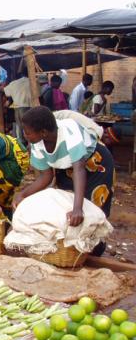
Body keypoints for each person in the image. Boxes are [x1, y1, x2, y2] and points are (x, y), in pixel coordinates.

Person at [14, 106, 113, 255]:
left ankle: (95, 251)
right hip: (67, 169)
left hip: (96, 164)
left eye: (27, 132)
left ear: (43, 132)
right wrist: (23, 194)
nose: (24, 135)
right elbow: (46, 176)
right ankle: (73, 251)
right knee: (66, 209)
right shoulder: (37, 143)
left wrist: (78, 208)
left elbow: (79, 168)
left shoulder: (68, 129)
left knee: (92, 209)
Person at [3, 75, 32, 144]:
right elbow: (39, 95)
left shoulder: (14, 83)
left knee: (19, 126)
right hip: (29, 106)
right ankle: (29, 142)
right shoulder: (32, 81)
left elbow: (6, 92)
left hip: (17, 107)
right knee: (29, 125)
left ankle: (21, 142)